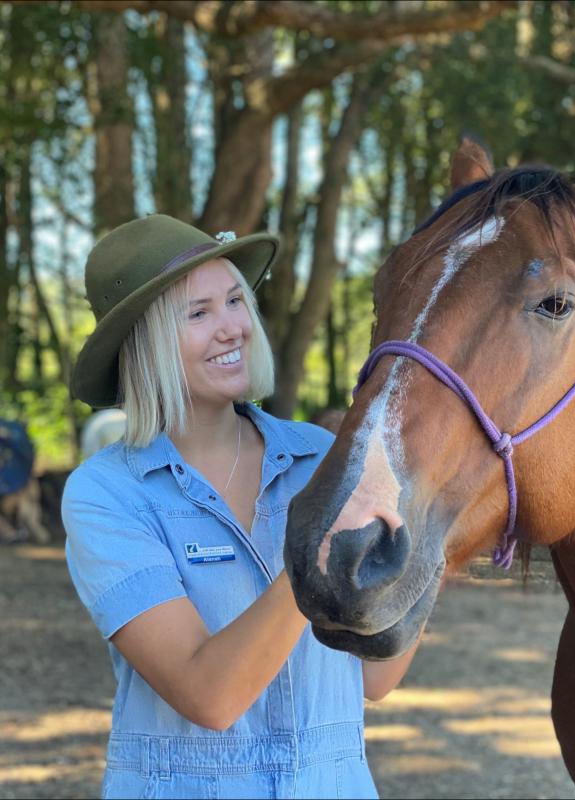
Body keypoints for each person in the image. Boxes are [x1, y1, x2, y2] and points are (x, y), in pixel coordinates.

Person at [61, 215, 421, 799]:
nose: (232, 327)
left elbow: (376, 676)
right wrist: (321, 543)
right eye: (198, 313)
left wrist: (432, 533)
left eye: (234, 300)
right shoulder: (107, 494)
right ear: (143, 342)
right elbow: (210, 696)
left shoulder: (321, 460)